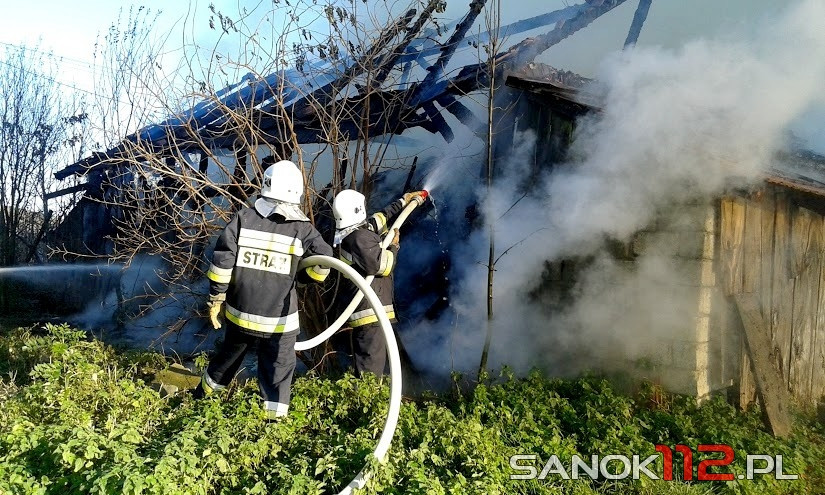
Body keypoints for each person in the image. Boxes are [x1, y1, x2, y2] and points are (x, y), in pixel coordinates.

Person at [194, 159, 333, 420]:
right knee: (277, 372)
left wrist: (216, 298)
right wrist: (304, 277)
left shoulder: (243, 218)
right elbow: (324, 262)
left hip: (240, 315)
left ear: (266, 186)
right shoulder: (303, 229)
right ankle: (274, 424)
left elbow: (222, 261)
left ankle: (202, 401)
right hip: (279, 322)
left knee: (227, 359)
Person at [331, 188, 427, 377]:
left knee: (391, 365)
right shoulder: (358, 238)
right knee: (371, 371)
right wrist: (393, 245)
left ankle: (390, 397)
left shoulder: (353, 234)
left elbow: (379, 219)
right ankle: (367, 403)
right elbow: (383, 265)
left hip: (376, 315)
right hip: (371, 316)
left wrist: (402, 202)